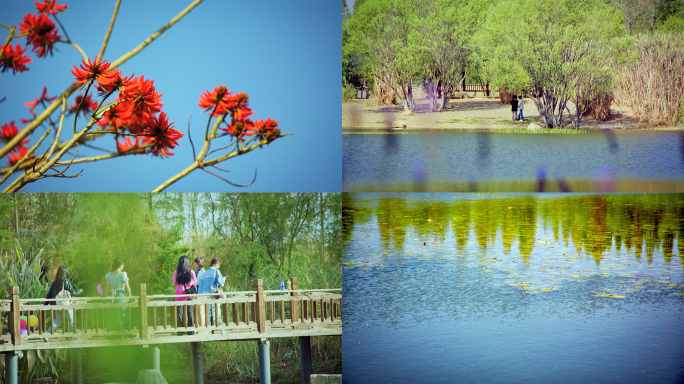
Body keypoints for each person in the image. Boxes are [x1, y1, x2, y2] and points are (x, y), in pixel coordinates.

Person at [44, 266, 82, 335]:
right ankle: (70, 337)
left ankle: (47, 335)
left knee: (57, 320)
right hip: (65, 305)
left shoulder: (54, 283)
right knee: (71, 320)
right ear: (65, 273)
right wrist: (80, 290)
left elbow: (49, 295)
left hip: (57, 305)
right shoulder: (66, 282)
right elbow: (74, 293)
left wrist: (45, 305)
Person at [104, 258, 132, 331]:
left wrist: (104, 298)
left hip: (112, 296)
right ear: (120, 265)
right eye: (122, 265)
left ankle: (113, 332)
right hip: (120, 295)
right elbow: (127, 287)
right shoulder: (122, 274)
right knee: (122, 314)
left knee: (114, 314)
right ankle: (121, 332)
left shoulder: (109, 275)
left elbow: (107, 288)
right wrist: (130, 296)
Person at [197, 257, 226, 327]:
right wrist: (224, 279)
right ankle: (219, 328)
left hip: (205, 297)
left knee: (208, 313)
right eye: (218, 265)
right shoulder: (216, 272)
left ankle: (210, 329)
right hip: (214, 296)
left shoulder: (205, 273)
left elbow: (200, 286)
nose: (218, 267)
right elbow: (221, 283)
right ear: (216, 263)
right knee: (216, 312)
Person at [173, 255, 197, 335]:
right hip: (189, 295)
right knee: (190, 313)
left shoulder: (176, 272)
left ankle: (180, 331)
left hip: (179, 295)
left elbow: (174, 283)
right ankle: (190, 331)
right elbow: (194, 283)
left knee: (179, 314)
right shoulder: (192, 272)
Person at [193, 257, 206, 326]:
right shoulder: (200, 271)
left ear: (198, 264)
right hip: (200, 293)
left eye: (195, 263)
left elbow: (196, 282)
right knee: (200, 311)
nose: (194, 265)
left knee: (200, 311)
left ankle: (201, 328)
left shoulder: (201, 272)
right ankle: (201, 326)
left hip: (200, 294)